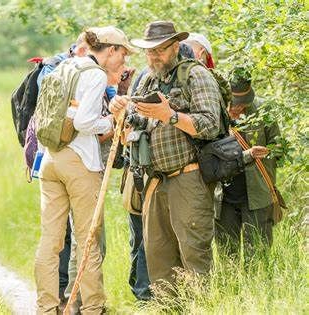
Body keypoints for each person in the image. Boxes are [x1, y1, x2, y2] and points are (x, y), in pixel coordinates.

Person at [110, 21, 223, 290]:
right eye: (149, 51)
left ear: (175, 47)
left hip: (189, 178)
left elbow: (210, 125)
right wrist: (121, 110)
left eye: (159, 50)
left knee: (194, 256)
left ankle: (202, 308)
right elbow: (136, 122)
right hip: (154, 181)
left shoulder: (197, 76)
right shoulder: (149, 79)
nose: (153, 56)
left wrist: (170, 116)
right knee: (158, 259)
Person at [35, 26, 135, 314]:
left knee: (50, 240)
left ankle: (46, 307)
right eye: (123, 54)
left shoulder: (66, 66)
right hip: (79, 162)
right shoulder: (94, 75)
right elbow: (84, 122)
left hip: (51, 158)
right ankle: (93, 308)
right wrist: (112, 121)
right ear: (111, 49)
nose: (124, 62)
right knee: (87, 237)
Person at [215, 67, 281, 253]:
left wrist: (266, 152)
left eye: (243, 102)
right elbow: (209, 154)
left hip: (257, 195)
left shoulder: (264, 109)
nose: (238, 107)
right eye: (235, 102)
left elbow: (278, 148)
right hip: (224, 197)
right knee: (228, 256)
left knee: (258, 255)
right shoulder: (215, 112)